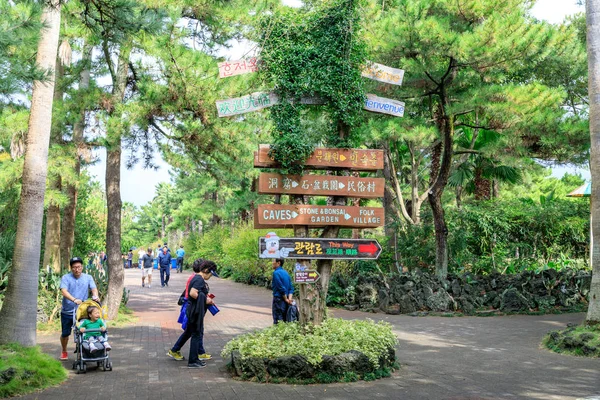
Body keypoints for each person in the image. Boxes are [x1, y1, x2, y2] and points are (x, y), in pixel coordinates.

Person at [167, 259, 219, 368]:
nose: (210, 277)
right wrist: (206, 300)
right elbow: (193, 293)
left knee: (191, 332)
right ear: (206, 270)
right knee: (196, 334)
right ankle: (193, 361)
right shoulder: (199, 279)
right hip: (195, 311)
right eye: (210, 274)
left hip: (193, 310)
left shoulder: (197, 278)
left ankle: (186, 355)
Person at [59, 257, 100, 361]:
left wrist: (95, 295)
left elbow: (93, 288)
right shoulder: (66, 278)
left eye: (78, 267)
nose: (77, 269)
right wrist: (74, 299)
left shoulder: (88, 277)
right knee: (65, 333)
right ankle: (64, 350)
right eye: (74, 267)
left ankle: (86, 350)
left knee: (85, 330)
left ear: (82, 267)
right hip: (68, 310)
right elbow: (63, 291)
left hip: (83, 311)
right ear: (71, 268)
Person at [271, 258, 294, 324]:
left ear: (278, 263)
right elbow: (291, 288)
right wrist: (289, 299)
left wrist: (285, 298)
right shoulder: (286, 273)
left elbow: (280, 287)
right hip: (286, 301)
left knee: (278, 319)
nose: (272, 263)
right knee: (285, 318)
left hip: (279, 299)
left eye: (273, 261)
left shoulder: (276, 273)